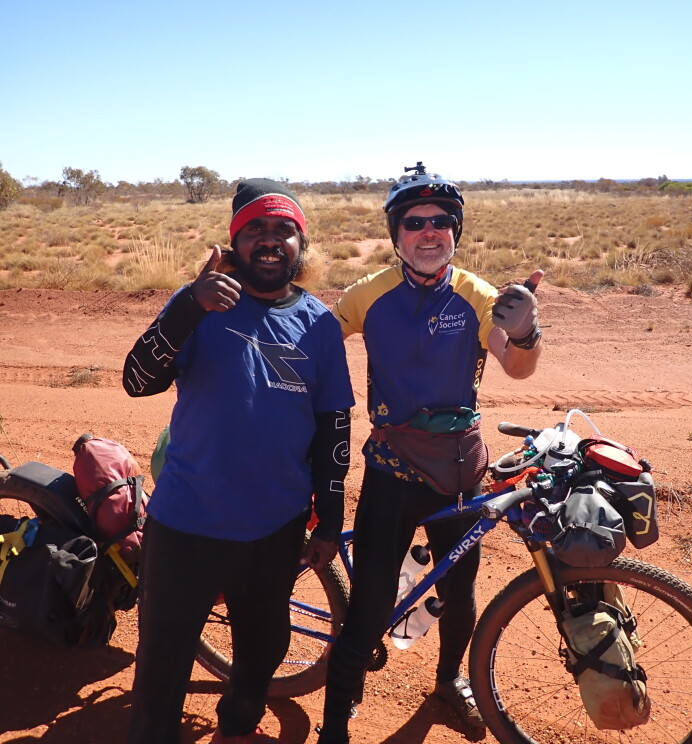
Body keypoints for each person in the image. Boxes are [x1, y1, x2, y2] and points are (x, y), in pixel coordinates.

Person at [122, 178, 355, 744]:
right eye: (255, 229)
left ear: (301, 245)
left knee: (263, 648)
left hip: (274, 527)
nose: (270, 240)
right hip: (185, 521)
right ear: (234, 242)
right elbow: (136, 380)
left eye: (283, 230)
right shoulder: (201, 304)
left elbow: (334, 424)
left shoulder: (320, 324)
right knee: (162, 661)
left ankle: (237, 726)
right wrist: (188, 304)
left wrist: (329, 516)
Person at [317, 163, 543, 743]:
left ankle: (447, 682)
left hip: (459, 471)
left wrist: (525, 334)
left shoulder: (479, 295)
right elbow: (312, 342)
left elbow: (516, 366)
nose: (428, 232)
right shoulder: (368, 295)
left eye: (440, 221)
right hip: (391, 472)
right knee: (368, 609)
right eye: (413, 222)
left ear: (455, 231)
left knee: (460, 596)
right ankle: (335, 723)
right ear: (396, 234)